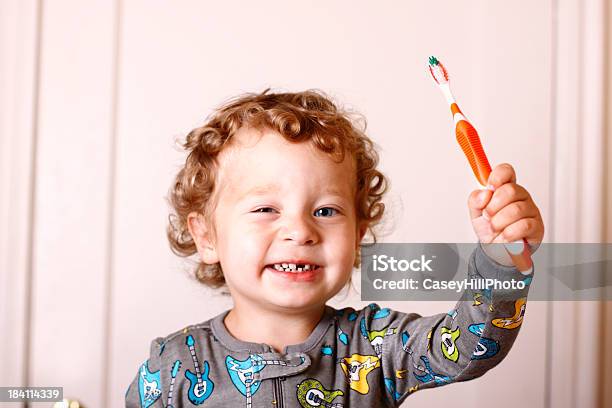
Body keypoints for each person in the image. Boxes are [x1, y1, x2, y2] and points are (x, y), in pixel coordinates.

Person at [125, 89, 544, 407]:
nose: (300, 231)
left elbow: (468, 348)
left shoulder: (377, 345)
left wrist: (501, 257)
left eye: (326, 211)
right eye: (266, 208)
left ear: (359, 232)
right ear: (206, 237)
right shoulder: (172, 368)